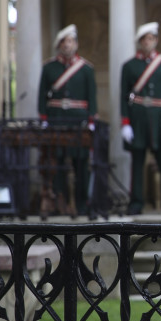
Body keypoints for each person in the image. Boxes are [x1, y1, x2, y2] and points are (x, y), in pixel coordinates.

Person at [120, 22, 161, 215]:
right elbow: (124, 96)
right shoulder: (129, 66)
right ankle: (136, 202)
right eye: (144, 39)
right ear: (139, 42)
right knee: (137, 162)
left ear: (156, 40)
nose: (148, 42)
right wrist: (125, 123)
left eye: (151, 39)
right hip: (137, 118)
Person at [37, 24, 97, 216]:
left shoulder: (86, 69)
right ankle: (59, 203)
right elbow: (41, 95)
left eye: (70, 41)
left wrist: (91, 120)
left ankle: (82, 204)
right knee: (58, 163)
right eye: (63, 42)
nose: (67, 45)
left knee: (81, 164)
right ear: (59, 45)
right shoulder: (49, 68)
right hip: (56, 119)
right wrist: (43, 118)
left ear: (76, 44)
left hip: (78, 121)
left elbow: (92, 96)